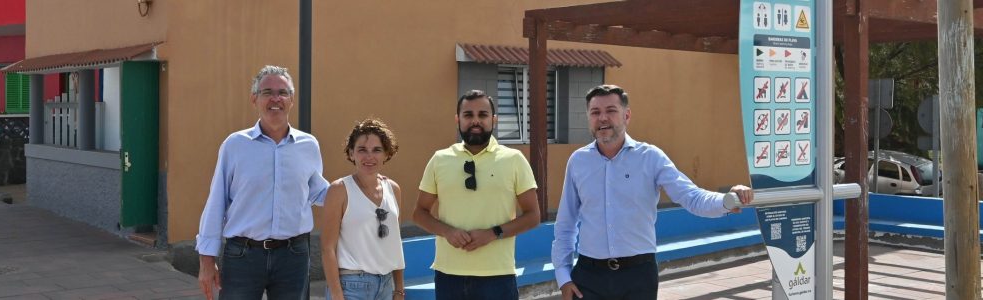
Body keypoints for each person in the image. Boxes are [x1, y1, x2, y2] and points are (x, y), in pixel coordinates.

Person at [552, 84, 754, 300]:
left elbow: (691, 197)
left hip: (637, 276)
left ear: (626, 115)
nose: (602, 118)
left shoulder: (650, 158)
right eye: (595, 112)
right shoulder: (578, 162)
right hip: (589, 278)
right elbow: (566, 224)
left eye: (611, 111)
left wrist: (727, 200)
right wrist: (563, 277)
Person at [195, 65, 330, 300]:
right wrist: (207, 261)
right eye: (267, 92)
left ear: (291, 100)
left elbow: (318, 191)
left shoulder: (309, 145)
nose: (275, 98)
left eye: (283, 92)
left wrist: (360, 187)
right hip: (243, 256)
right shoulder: (235, 145)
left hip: (293, 256)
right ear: (254, 99)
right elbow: (216, 202)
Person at [412, 90, 541, 300]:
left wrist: (493, 233)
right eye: (468, 115)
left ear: (494, 120)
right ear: (458, 120)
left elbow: (533, 215)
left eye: (482, 115)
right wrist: (447, 232)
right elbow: (419, 213)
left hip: (497, 277)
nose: (475, 121)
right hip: (448, 275)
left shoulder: (514, 160)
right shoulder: (439, 159)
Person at [321, 118, 406, 300]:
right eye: (362, 150)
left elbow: (395, 244)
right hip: (351, 287)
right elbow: (327, 248)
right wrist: (337, 295)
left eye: (377, 150)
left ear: (386, 154)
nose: (369, 157)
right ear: (351, 153)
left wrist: (399, 289)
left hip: (385, 285)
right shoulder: (339, 190)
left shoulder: (394, 189)